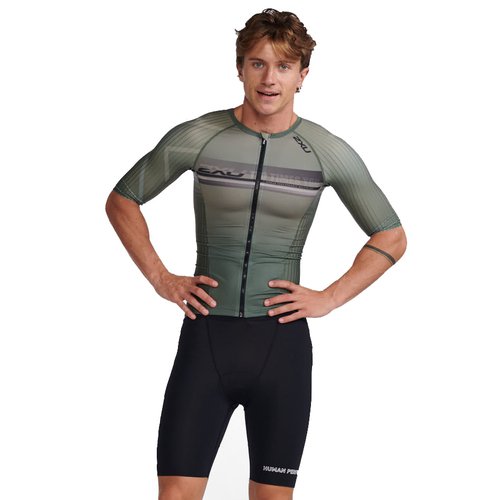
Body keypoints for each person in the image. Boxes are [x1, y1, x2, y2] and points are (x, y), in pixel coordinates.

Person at [106, 8, 407, 500]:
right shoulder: (199, 136)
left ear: (302, 75)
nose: (270, 79)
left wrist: (330, 297)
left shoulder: (326, 150)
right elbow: (123, 200)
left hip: (281, 344)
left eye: (283, 66)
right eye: (258, 64)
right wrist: (162, 278)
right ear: (240, 68)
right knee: (175, 494)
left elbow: (391, 235)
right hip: (206, 337)